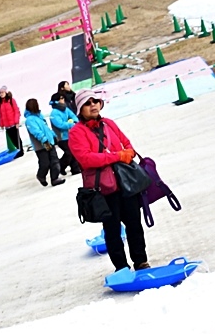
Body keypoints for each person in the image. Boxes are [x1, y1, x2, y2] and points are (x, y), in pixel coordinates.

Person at [68, 89, 149, 272]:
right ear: (80, 109)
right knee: (112, 231)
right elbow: (87, 159)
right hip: (103, 189)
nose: (93, 105)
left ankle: (141, 261)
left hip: (125, 183)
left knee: (135, 224)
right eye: (88, 103)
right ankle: (121, 267)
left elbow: (127, 143)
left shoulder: (109, 124)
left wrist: (128, 152)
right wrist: (117, 156)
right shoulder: (76, 133)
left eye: (95, 101)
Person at [22, 98, 63, 187]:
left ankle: (55, 178)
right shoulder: (30, 120)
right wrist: (43, 139)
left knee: (54, 160)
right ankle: (41, 175)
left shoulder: (40, 116)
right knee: (45, 163)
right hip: (40, 145)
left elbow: (46, 128)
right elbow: (36, 131)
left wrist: (53, 135)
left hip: (49, 141)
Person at [48, 97, 81, 175]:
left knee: (73, 152)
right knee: (69, 152)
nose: (63, 100)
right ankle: (61, 166)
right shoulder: (54, 113)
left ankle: (75, 168)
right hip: (61, 137)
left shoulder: (66, 109)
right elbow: (60, 124)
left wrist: (74, 121)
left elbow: (74, 117)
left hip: (70, 135)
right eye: (61, 98)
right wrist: (71, 124)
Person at [0, 86, 24, 157]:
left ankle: (21, 151)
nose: (1, 94)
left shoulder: (11, 100)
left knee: (16, 137)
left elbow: (16, 111)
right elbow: (1, 114)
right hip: (7, 125)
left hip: (13, 124)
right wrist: (1, 124)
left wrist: (17, 122)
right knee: (12, 139)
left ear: (6, 92)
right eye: (0, 93)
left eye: (2, 92)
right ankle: (18, 150)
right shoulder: (0, 103)